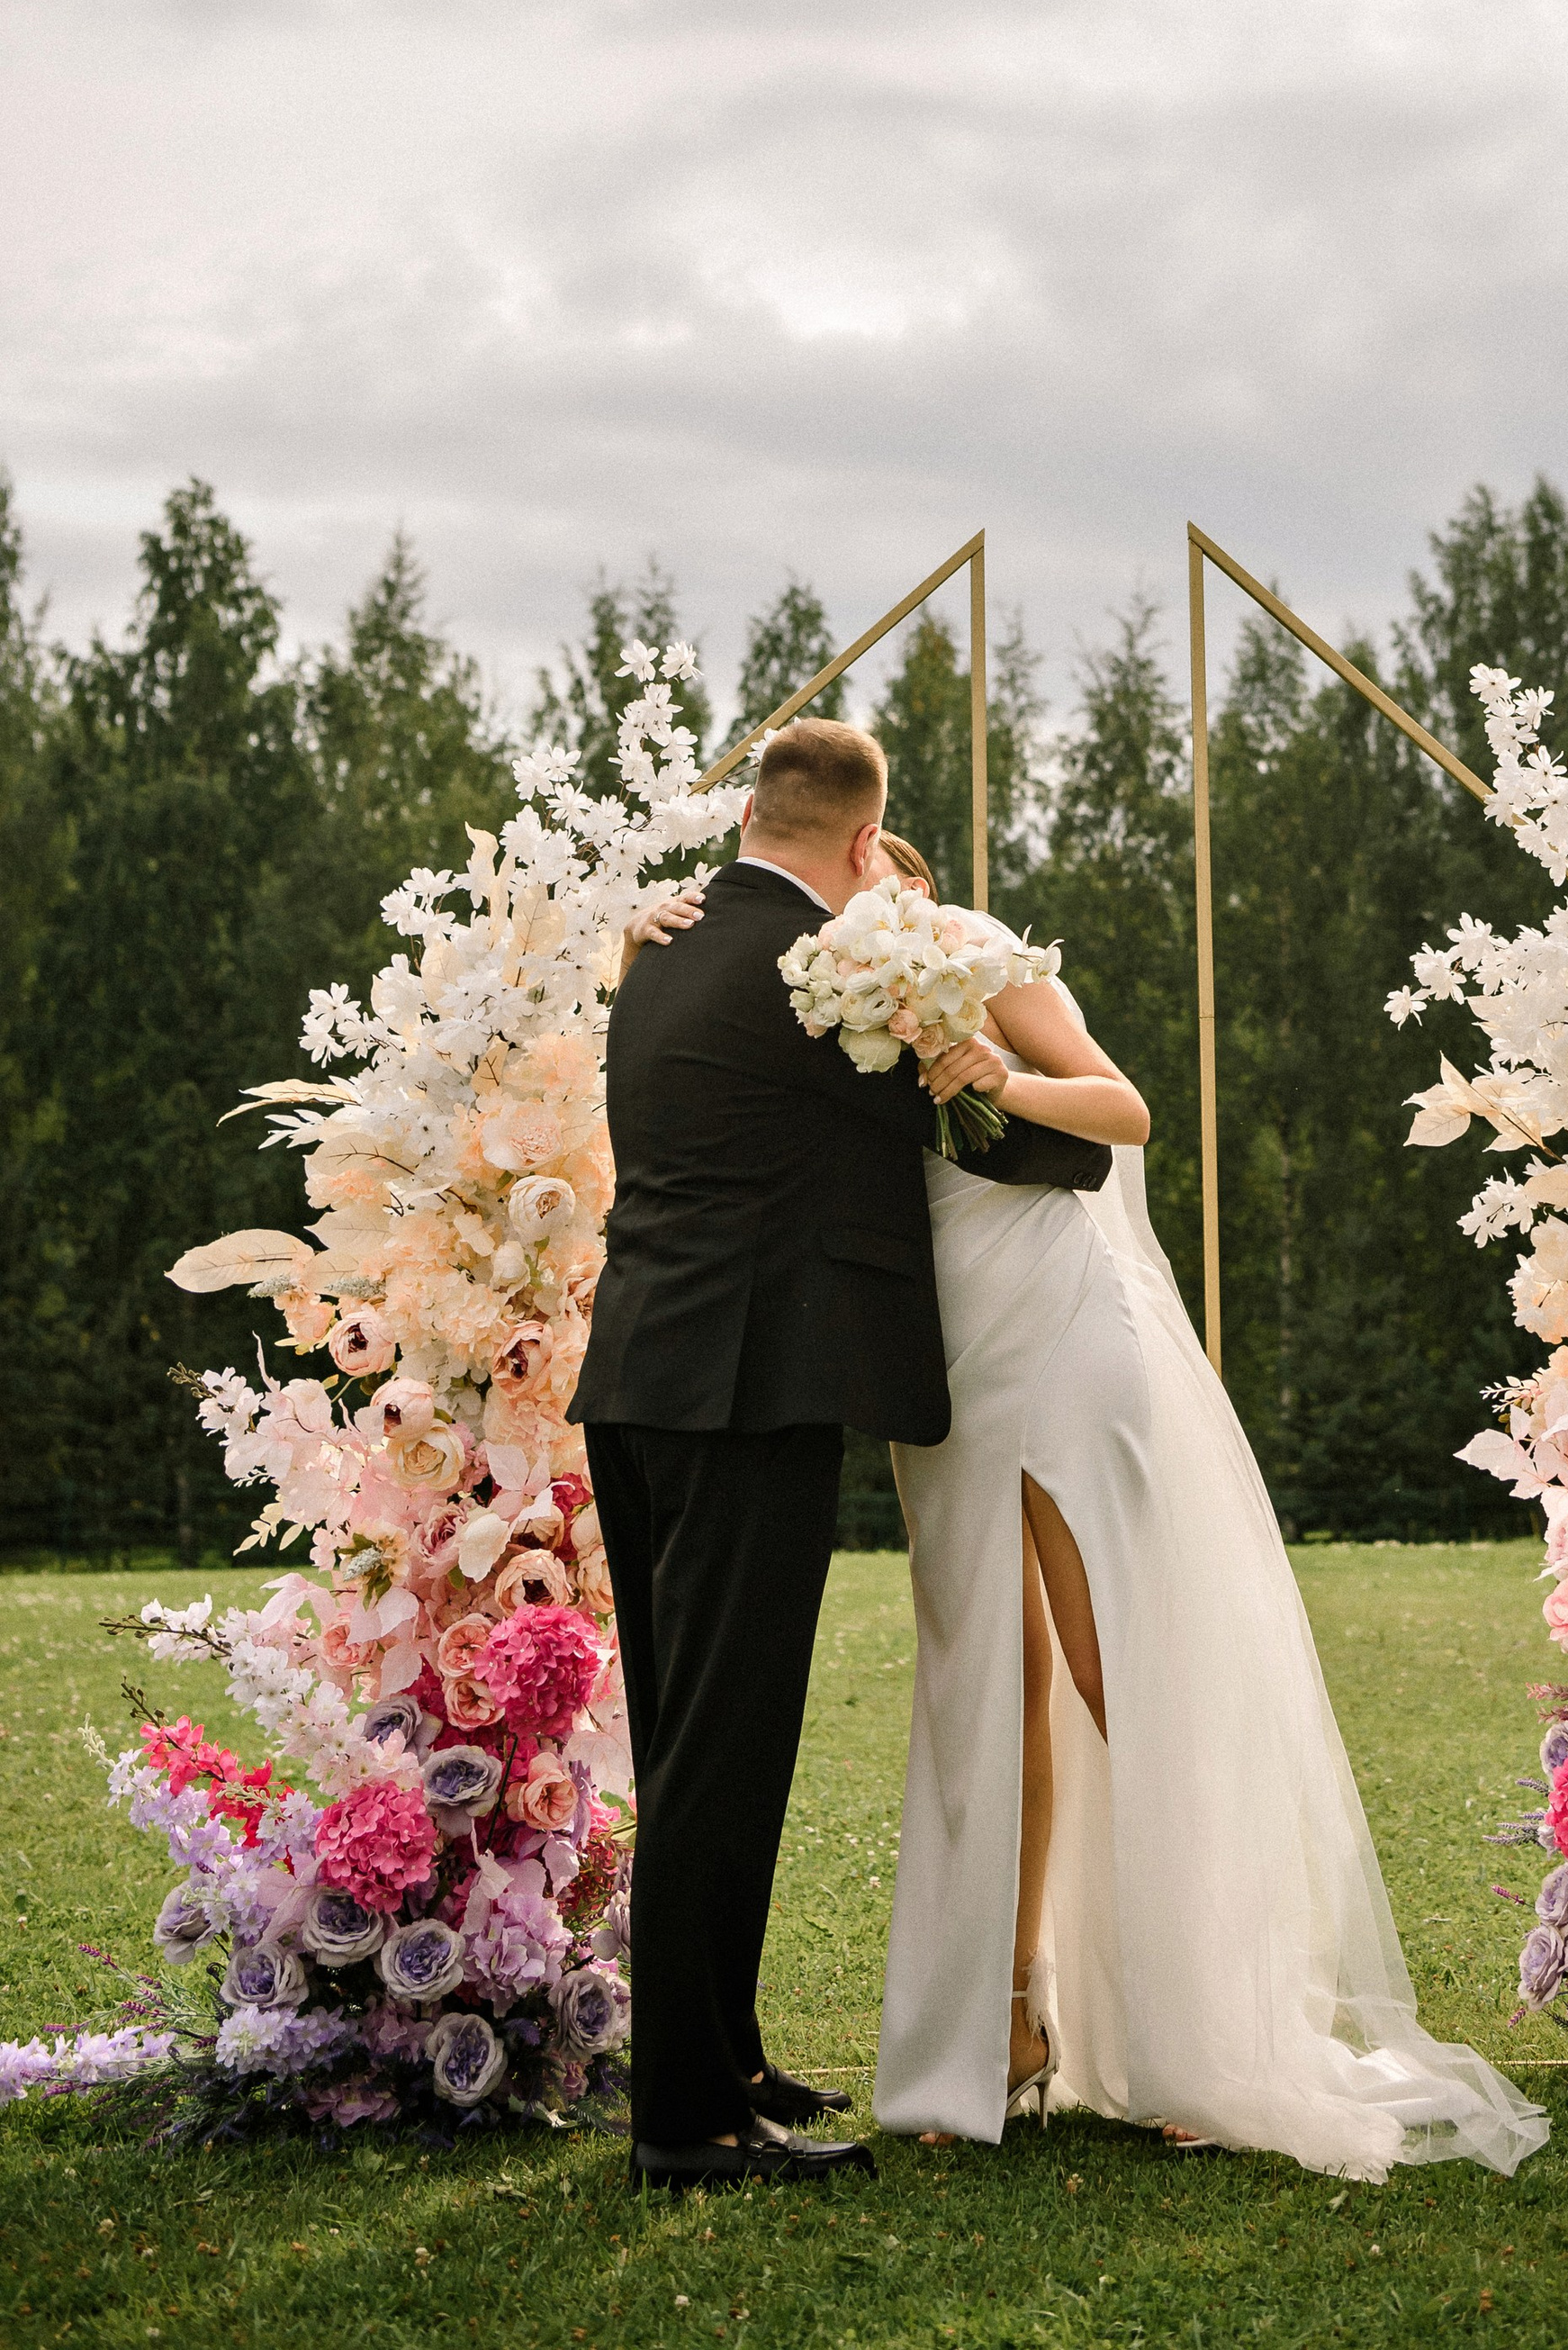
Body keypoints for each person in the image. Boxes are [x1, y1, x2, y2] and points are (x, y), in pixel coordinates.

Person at [634, 831, 1551, 2183]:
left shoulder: (982, 960)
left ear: (915, 885)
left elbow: (1120, 1110)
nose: (870, 899)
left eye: (891, 879)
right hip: (937, 1358)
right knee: (988, 1681)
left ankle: (1201, 2023)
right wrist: (644, 930)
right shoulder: (810, 994)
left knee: (1108, 1653)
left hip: (1057, 1327)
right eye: (854, 885)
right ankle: (1000, 2020)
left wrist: (995, 1071)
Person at [571, 719, 1111, 2195]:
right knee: (720, 1754)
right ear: (867, 844)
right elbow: (1022, 1144)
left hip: (637, 1381)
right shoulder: (826, 977)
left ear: (753, 812)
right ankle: (687, 2121)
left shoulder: (662, 944)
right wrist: (974, 1064)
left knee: (693, 1730)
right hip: (750, 1391)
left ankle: (726, 2054)